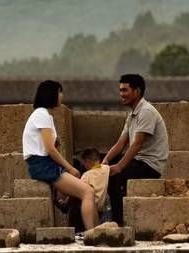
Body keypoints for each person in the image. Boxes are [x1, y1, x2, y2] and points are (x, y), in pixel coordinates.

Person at [22, 80, 98, 230]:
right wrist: (70, 168)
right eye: (60, 92)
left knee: (88, 189)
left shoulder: (44, 115)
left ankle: (99, 229)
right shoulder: (42, 114)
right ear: (52, 94)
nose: (62, 96)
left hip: (44, 164)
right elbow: (50, 149)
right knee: (88, 192)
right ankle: (93, 233)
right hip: (42, 165)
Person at [102, 73, 169, 226]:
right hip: (138, 161)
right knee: (105, 168)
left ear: (137, 91)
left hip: (149, 165)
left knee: (114, 177)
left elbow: (137, 144)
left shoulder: (146, 111)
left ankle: (119, 223)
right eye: (120, 90)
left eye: (125, 90)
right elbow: (120, 144)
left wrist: (118, 167)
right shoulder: (132, 114)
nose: (121, 94)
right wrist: (105, 162)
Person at [78, 147, 110, 215]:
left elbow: (79, 190)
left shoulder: (86, 175)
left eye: (83, 163)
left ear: (86, 161)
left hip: (92, 208)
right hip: (105, 207)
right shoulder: (106, 168)